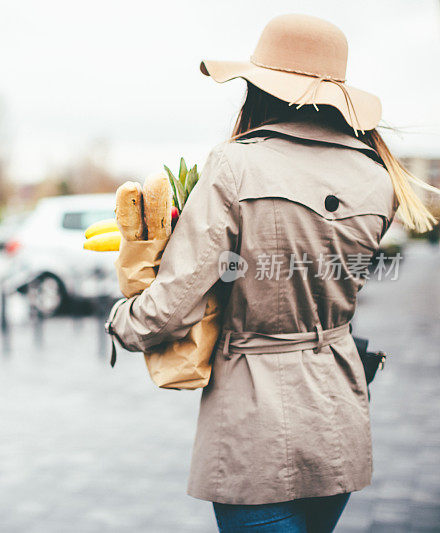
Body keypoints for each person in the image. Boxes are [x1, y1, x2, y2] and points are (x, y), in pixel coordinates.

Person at [106, 14, 439, 533]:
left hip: (254, 423)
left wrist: (122, 321)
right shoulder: (379, 178)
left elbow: (172, 304)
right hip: (341, 408)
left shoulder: (235, 165)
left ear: (261, 87)